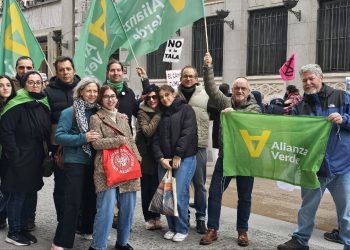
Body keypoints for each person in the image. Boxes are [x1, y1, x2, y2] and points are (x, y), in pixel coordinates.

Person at [277, 64, 350, 250]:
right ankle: (300, 240)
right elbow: (295, 135)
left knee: (346, 213)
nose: (308, 83)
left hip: (342, 166)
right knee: (307, 208)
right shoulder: (300, 106)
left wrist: (345, 119)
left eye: (311, 79)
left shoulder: (341, 96)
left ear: (321, 77)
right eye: (304, 80)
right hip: (313, 167)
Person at [200, 52, 261, 247]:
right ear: (232, 90)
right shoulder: (224, 102)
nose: (239, 91)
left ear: (249, 91)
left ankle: (242, 231)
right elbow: (211, 89)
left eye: (243, 88)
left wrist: (233, 114)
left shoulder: (255, 108)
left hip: (245, 160)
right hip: (226, 159)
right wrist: (208, 67)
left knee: (245, 197)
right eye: (236, 88)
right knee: (215, 194)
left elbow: (250, 122)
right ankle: (212, 229)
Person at [0, 71, 51, 246]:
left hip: (35, 158)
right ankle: (13, 232)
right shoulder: (15, 104)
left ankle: (22, 229)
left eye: (38, 82)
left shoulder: (42, 103)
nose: (35, 85)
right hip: (19, 159)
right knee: (17, 196)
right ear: (24, 84)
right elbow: (6, 133)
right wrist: (15, 156)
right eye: (31, 82)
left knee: (28, 194)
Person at [89, 85, 141, 250]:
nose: (110, 99)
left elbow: (131, 140)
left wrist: (138, 158)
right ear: (101, 99)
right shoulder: (96, 118)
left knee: (128, 208)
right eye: (106, 96)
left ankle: (122, 242)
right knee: (105, 209)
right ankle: (98, 245)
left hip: (127, 166)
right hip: (105, 168)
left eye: (113, 96)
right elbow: (96, 143)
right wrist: (117, 141)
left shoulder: (123, 117)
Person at [51, 77, 101, 250]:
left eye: (95, 91)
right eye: (89, 91)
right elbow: (59, 136)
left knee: (90, 199)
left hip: (94, 162)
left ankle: (86, 229)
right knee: (72, 202)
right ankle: (60, 242)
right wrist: (83, 137)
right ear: (81, 92)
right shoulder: (69, 112)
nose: (92, 94)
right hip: (74, 161)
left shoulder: (99, 112)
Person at [153, 85, 198, 242]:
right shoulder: (162, 113)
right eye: (162, 96)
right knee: (166, 195)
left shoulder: (186, 110)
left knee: (179, 193)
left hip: (185, 158)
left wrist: (178, 154)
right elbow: (156, 139)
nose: (165, 98)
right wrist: (160, 158)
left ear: (174, 94)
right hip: (165, 161)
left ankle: (182, 229)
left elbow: (188, 133)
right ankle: (172, 227)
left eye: (167, 95)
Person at [44, 56, 81, 224]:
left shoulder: (84, 88)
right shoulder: (48, 92)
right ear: (57, 72)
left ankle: (80, 221)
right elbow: (44, 120)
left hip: (82, 145)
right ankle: (63, 221)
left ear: (74, 69)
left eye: (68, 69)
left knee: (81, 185)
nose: (65, 72)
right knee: (61, 187)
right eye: (61, 70)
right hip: (59, 147)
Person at [177, 65, 210, 234]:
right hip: (179, 148)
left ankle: (201, 218)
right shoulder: (174, 95)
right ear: (181, 78)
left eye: (191, 76)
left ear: (196, 78)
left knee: (200, 185)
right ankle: (185, 216)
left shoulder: (206, 95)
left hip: (199, 146)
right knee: (181, 186)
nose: (188, 79)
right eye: (185, 76)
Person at [135, 83, 162, 230]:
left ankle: (157, 216)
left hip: (160, 154)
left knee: (158, 187)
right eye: (149, 97)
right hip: (145, 155)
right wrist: (158, 115)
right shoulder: (142, 112)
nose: (152, 100)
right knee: (147, 188)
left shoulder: (165, 108)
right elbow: (147, 131)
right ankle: (149, 217)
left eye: (155, 97)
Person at [0, 75, 17, 229]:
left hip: (8, 153)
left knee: (6, 187)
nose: (5, 88)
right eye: (1, 85)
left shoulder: (15, 105)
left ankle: (1, 215)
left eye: (8, 85)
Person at [105, 59, 137, 130]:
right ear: (108, 73)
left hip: (126, 138)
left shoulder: (129, 93)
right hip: (107, 138)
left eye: (118, 70)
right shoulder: (101, 93)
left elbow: (139, 113)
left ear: (122, 72)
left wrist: (144, 80)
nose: (116, 73)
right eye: (112, 70)